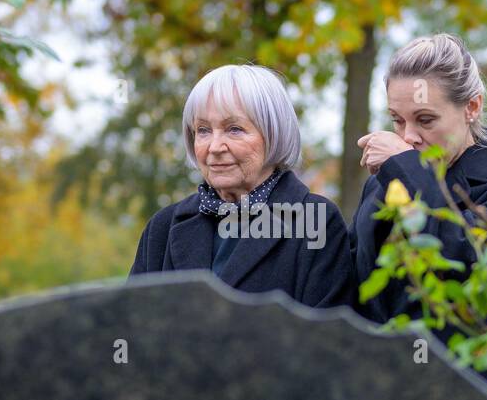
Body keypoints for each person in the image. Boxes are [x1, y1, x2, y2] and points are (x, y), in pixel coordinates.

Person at [351, 34, 487, 394]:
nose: (408, 137)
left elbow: (465, 258)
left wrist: (407, 170)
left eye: (425, 119)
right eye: (396, 120)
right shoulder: (381, 186)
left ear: (471, 107)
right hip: (377, 398)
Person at [131, 64, 355, 309]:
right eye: (203, 130)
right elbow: (131, 325)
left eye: (234, 129)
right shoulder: (163, 227)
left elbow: (325, 338)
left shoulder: (316, 221)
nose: (215, 147)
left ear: (273, 134)